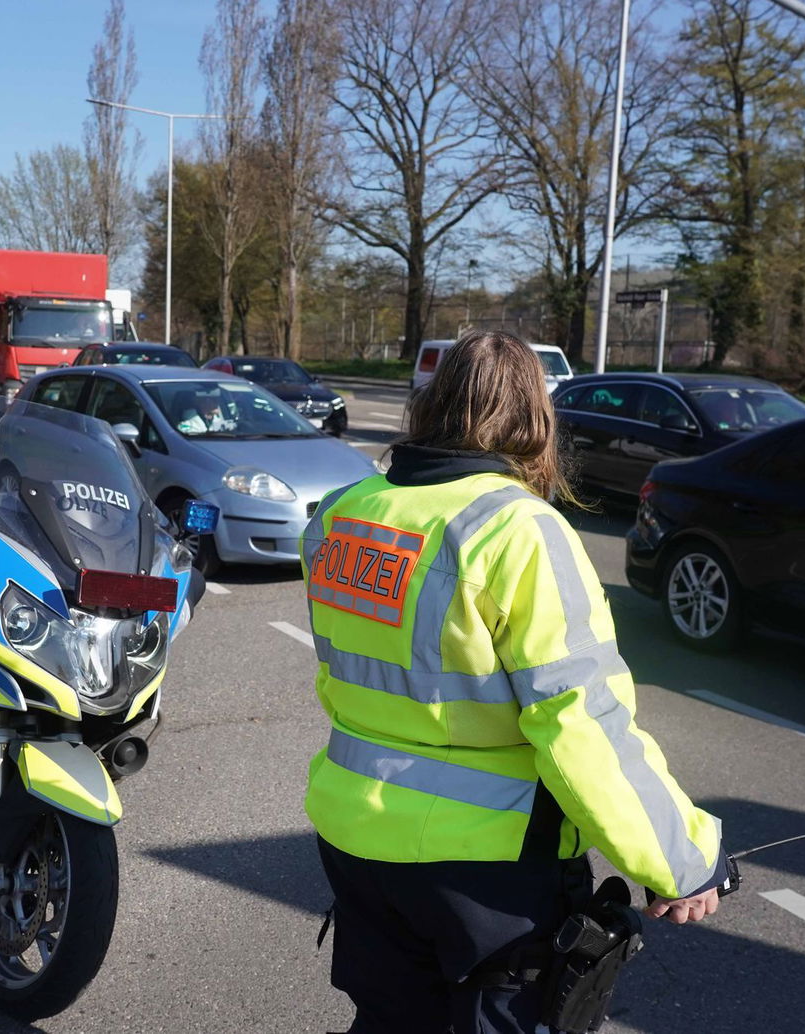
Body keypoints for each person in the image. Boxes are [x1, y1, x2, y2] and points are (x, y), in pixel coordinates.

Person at [301, 331, 726, 1034]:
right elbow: (581, 726)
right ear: (536, 416)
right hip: (486, 867)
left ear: (430, 403)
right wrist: (682, 859)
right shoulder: (519, 532)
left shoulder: (344, 512)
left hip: (354, 837)